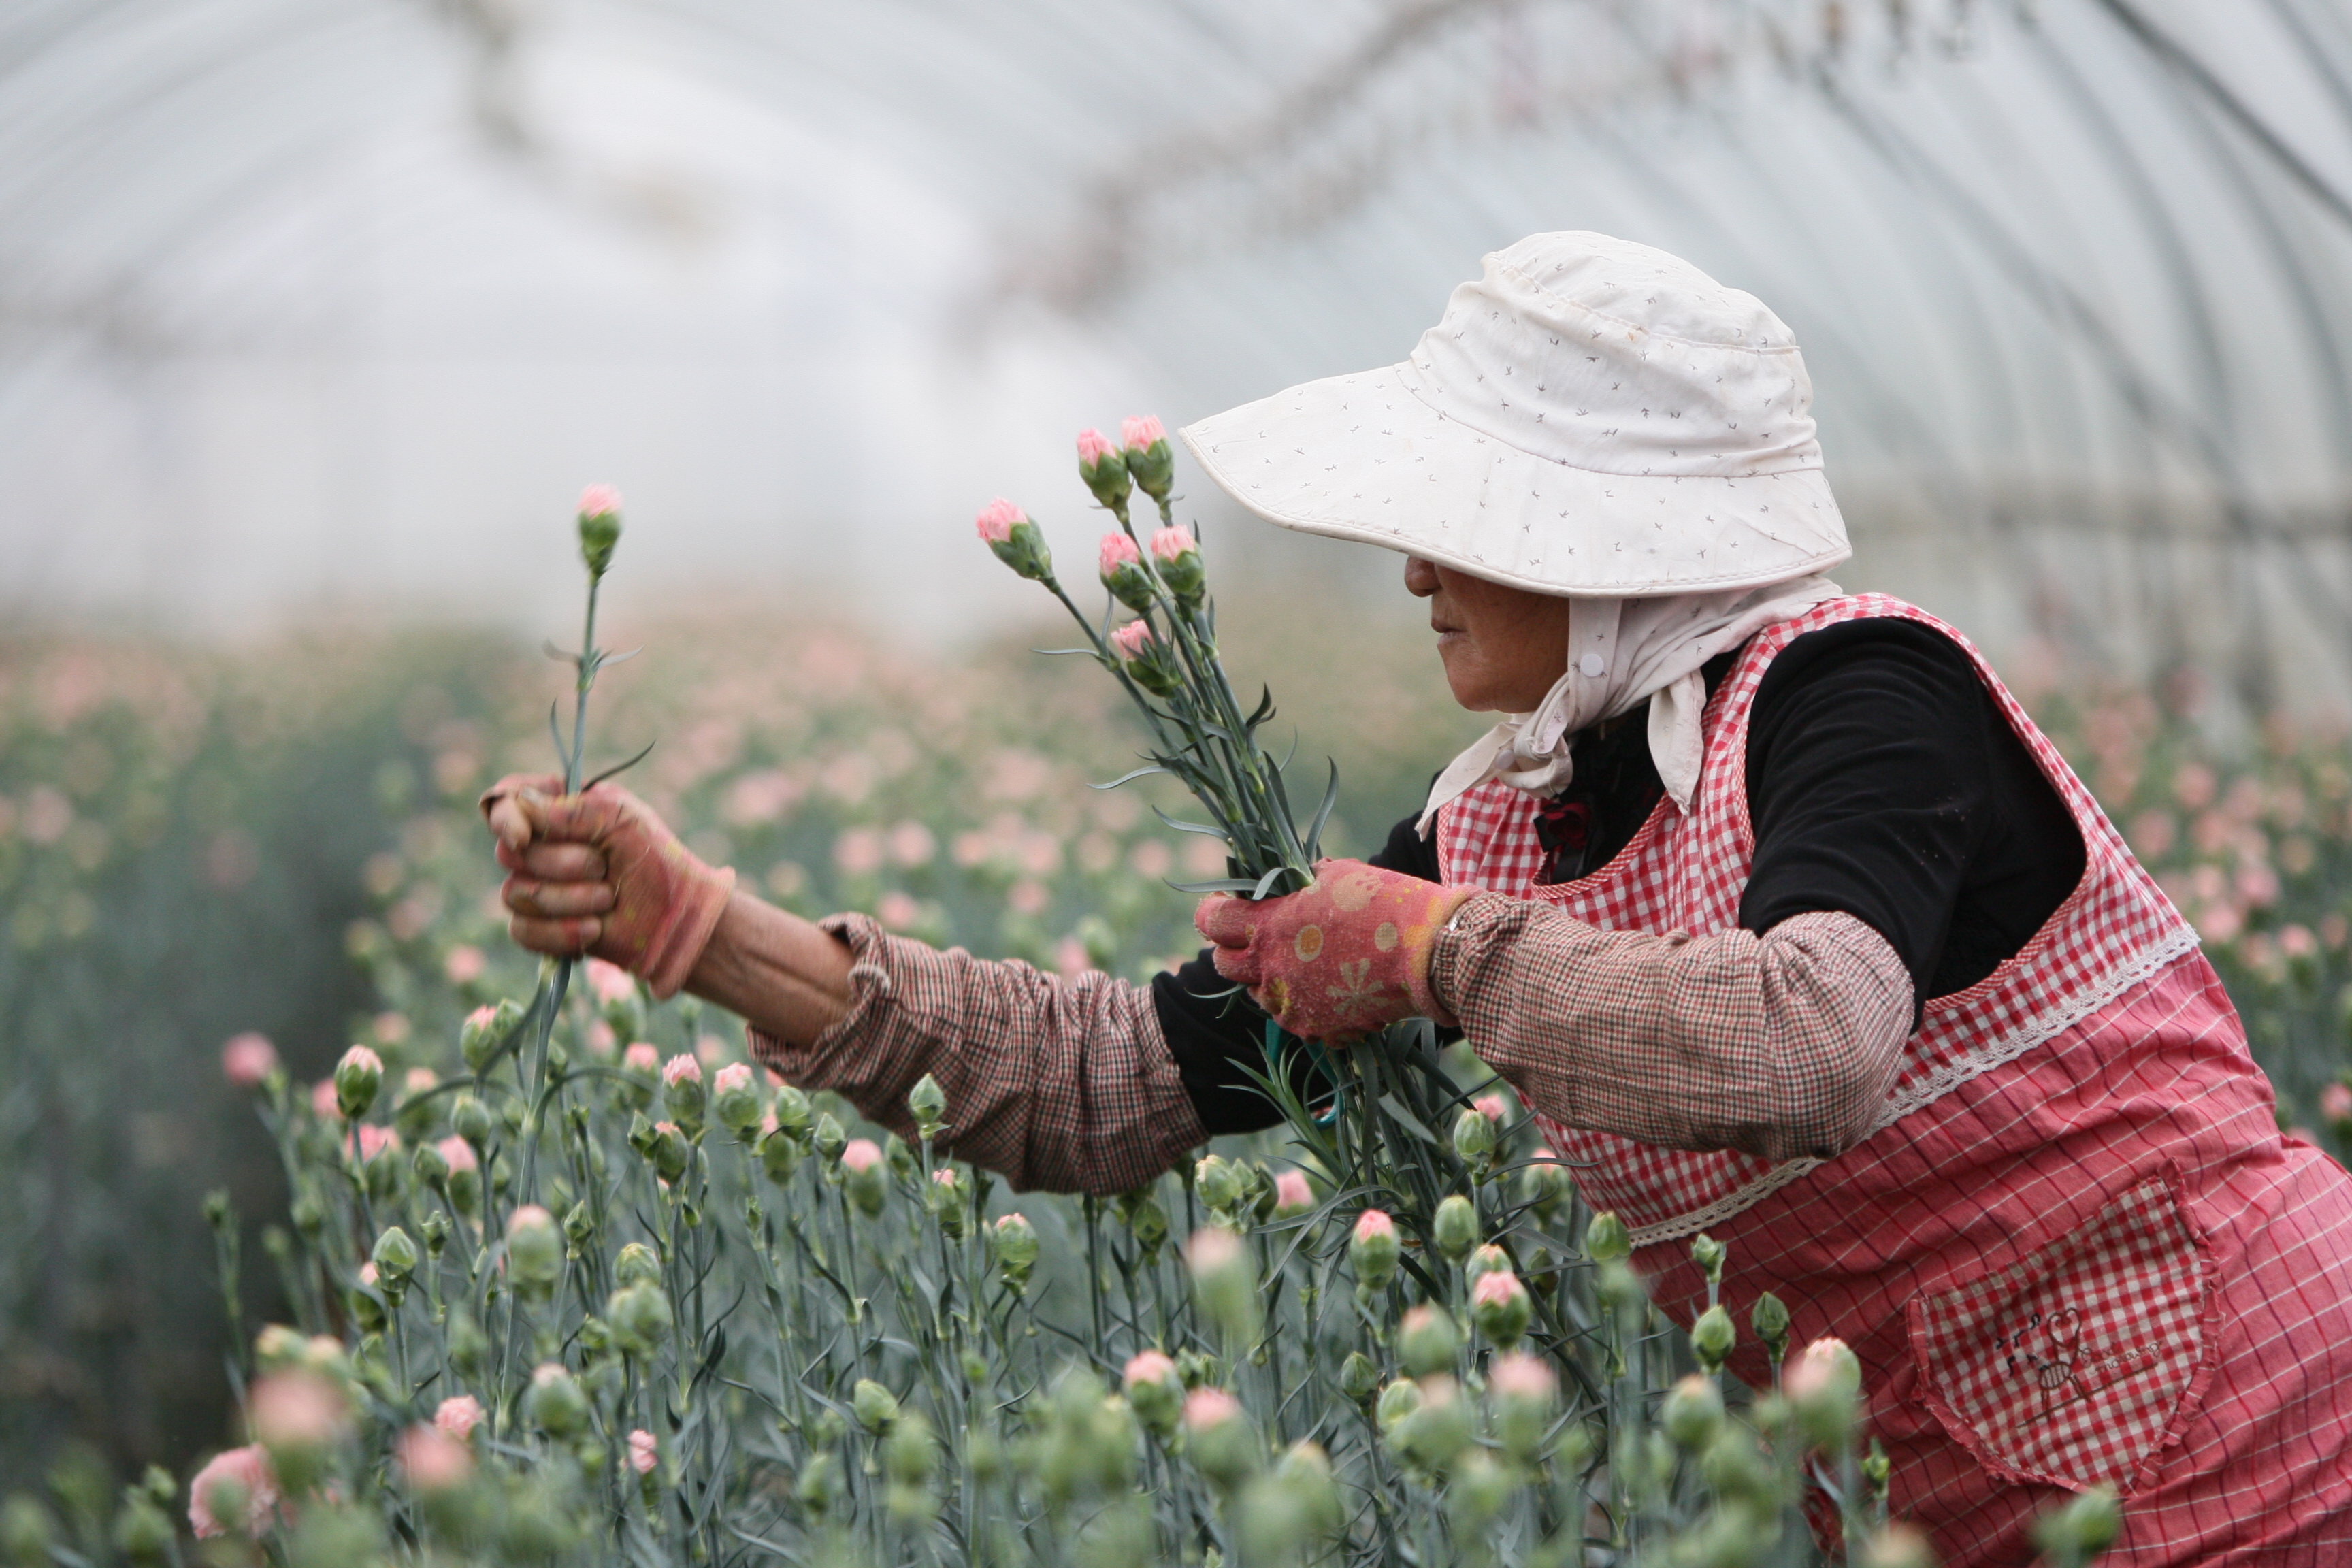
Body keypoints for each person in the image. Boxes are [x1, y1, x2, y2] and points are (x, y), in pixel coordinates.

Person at [481, 233, 2352, 1564]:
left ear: (1597, 535)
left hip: (2288, 1466)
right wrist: (694, 929)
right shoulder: (1503, 827)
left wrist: (1440, 958)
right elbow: (1107, 1080)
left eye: (1457, 519)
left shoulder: (1865, 696)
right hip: (1960, 1517)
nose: (1409, 577)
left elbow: (1815, 1039)